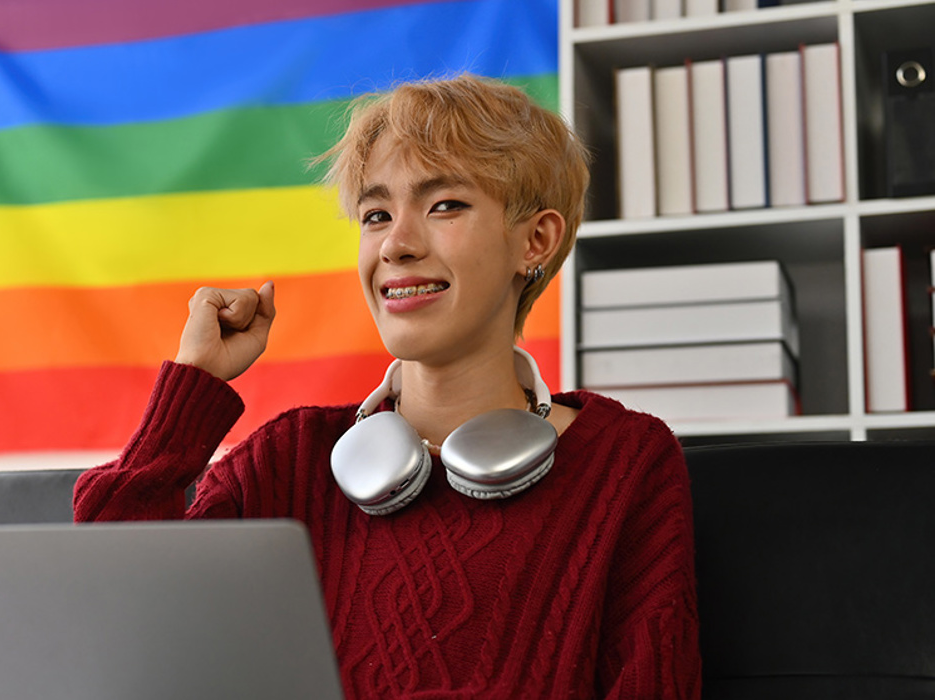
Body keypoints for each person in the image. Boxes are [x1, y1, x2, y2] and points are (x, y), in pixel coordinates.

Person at [74, 74, 701, 699]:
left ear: (535, 240)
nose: (396, 245)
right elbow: (107, 621)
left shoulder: (626, 461)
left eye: (444, 205)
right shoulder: (287, 460)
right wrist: (195, 385)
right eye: (376, 215)